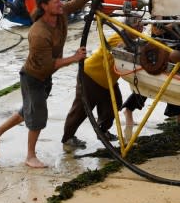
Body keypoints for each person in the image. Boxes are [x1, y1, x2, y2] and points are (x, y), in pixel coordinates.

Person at [0, 0, 119, 167]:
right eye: (56, 1)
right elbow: (47, 65)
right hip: (33, 78)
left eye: (60, 0)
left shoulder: (61, 14)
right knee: (38, 118)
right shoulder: (38, 33)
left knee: (27, 112)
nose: (61, 3)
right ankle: (30, 156)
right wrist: (74, 58)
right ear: (45, 6)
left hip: (44, 78)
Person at [61, 16, 143, 151]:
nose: (141, 27)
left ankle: (102, 131)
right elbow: (123, 48)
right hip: (90, 76)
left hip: (108, 81)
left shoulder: (132, 40)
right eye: (137, 25)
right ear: (127, 27)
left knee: (114, 103)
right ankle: (68, 138)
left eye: (142, 25)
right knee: (81, 109)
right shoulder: (118, 38)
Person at [120, 16, 180, 127]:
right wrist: (175, 23)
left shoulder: (178, 10)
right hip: (157, 50)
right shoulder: (160, 10)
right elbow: (157, 30)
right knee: (148, 85)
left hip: (174, 47)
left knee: (174, 83)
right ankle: (128, 110)